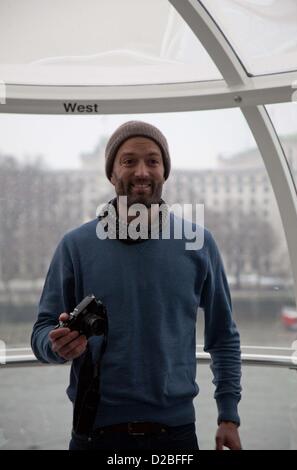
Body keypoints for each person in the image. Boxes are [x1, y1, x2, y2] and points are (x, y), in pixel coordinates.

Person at [31, 120, 242, 451]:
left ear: (164, 171)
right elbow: (41, 332)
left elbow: (224, 336)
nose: (142, 171)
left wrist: (228, 416)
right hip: (94, 433)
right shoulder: (75, 245)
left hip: (176, 434)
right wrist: (56, 346)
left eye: (153, 161)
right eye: (128, 161)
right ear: (112, 173)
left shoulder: (199, 243)